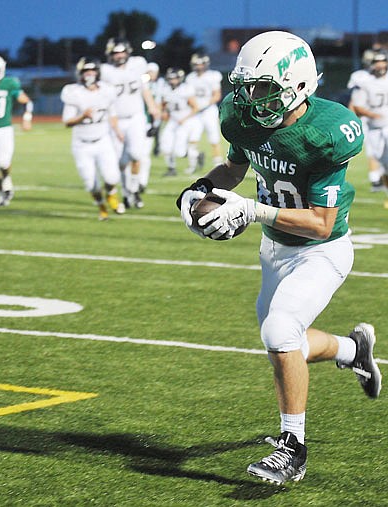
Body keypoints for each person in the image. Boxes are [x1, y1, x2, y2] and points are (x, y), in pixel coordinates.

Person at [177, 31, 381, 485]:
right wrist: (199, 190)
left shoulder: (328, 131)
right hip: (274, 248)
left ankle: (293, 448)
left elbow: (321, 223)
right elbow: (234, 167)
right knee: (285, 341)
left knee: (279, 330)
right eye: (247, 87)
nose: (252, 98)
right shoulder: (243, 118)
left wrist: (251, 209)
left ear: (299, 84)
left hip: (320, 252)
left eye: (265, 87)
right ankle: (353, 350)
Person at [61, 57, 125, 220]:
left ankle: (111, 193)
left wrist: (117, 130)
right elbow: (67, 122)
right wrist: (82, 116)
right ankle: (101, 206)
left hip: (103, 140)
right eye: (85, 71)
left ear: (97, 72)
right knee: (91, 184)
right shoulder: (73, 92)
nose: (89, 74)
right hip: (82, 144)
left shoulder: (107, 90)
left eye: (92, 71)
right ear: (80, 74)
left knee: (112, 177)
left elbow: (112, 113)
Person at [100, 38, 160, 209]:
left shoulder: (138, 64)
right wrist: (112, 124)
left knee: (136, 155)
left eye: (121, 52)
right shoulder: (105, 71)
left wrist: (153, 108)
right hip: (116, 119)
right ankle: (127, 193)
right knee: (120, 161)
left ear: (127, 52)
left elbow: (144, 89)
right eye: (115, 53)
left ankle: (134, 191)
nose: (119, 56)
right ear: (110, 54)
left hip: (136, 117)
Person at [0, 54, 33, 207]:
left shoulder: (9, 83)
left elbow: (27, 102)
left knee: (2, 162)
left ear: (1, 70)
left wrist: (27, 119)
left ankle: (7, 179)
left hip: (4, 130)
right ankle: (2, 193)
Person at [350, 50, 388, 192]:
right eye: (376, 62)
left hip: (386, 125)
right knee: (378, 157)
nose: (380, 65)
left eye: (382, 61)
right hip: (372, 126)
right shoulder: (364, 81)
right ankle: (377, 182)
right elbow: (356, 105)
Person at [184, 53, 224, 172]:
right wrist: (195, 106)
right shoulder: (190, 78)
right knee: (193, 138)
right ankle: (192, 164)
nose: (199, 66)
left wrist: (204, 105)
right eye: (196, 64)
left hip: (209, 110)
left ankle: (218, 164)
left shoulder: (213, 76)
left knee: (214, 138)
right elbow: (188, 96)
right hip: (196, 112)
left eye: (201, 64)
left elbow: (217, 95)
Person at [159, 67, 200, 177]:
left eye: (175, 78)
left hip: (186, 120)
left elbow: (195, 107)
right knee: (165, 145)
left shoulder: (186, 89)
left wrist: (184, 118)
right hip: (173, 120)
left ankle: (197, 157)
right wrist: (163, 113)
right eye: (170, 79)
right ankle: (171, 168)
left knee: (180, 151)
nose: (172, 81)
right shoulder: (165, 89)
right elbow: (163, 106)